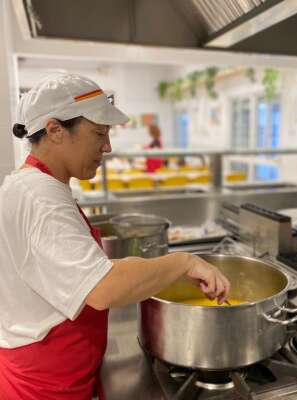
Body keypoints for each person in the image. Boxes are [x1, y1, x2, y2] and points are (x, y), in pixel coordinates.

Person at [0, 73, 230, 400]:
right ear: (55, 130)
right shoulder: (41, 198)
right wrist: (184, 262)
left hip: (52, 371)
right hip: (43, 386)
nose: (107, 146)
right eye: (99, 133)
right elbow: (102, 288)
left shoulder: (32, 185)